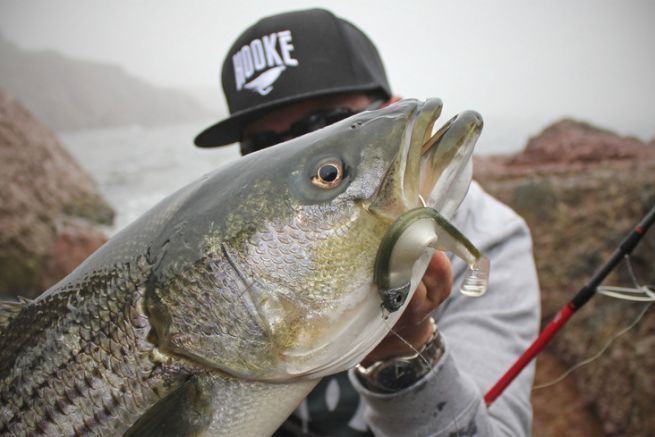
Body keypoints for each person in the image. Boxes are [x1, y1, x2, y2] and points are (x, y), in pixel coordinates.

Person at [194, 8, 540, 436]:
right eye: (262, 146)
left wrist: (404, 355)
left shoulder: (491, 240)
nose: (294, 151)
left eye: (326, 124)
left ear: (392, 110)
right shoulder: (215, 261)